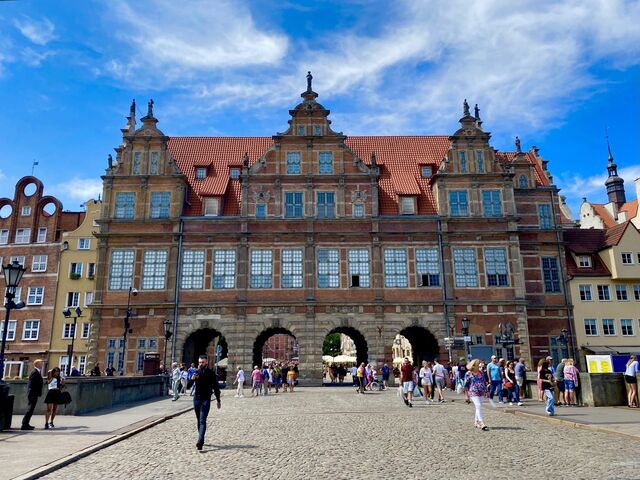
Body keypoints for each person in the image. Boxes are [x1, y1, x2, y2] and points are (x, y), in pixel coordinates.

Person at [191, 355, 221, 450]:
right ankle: (201, 438)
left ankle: (200, 441)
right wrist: (192, 379)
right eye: (199, 362)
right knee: (198, 419)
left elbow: (216, 387)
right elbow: (188, 386)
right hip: (196, 399)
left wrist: (218, 400)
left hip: (206, 399)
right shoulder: (196, 372)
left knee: (202, 420)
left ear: (206, 362)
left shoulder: (211, 373)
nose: (201, 364)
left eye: (202, 362)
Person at [464, 359, 488, 430]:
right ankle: (481, 422)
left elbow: (484, 382)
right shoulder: (468, 374)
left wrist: (487, 391)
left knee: (478, 407)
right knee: (478, 405)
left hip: (481, 391)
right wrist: (466, 395)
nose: (479, 366)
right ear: (473, 366)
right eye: (478, 365)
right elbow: (466, 385)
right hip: (473, 392)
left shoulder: (481, 373)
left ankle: (476, 422)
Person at [21, 359, 44, 430]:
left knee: (31, 409)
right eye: (41, 363)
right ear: (37, 364)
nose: (42, 365)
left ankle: (26, 424)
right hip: (32, 393)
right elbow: (31, 383)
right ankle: (24, 424)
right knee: (30, 409)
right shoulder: (34, 372)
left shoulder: (37, 372)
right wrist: (32, 393)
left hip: (34, 393)